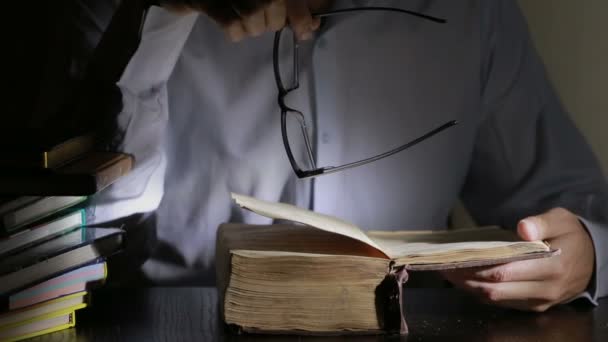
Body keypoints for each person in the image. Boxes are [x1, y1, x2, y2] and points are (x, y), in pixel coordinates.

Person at [70, 0, 607, 312]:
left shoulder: (471, 14)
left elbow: (568, 206)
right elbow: (73, 227)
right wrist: (165, 10)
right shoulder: (129, 10)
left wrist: (587, 252)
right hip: (171, 319)